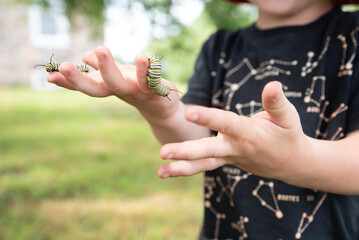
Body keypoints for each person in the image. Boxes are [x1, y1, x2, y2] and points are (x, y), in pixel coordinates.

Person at [47, 0, 359, 239]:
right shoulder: (220, 48)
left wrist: (292, 160)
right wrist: (163, 110)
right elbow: (196, 136)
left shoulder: (353, 37)